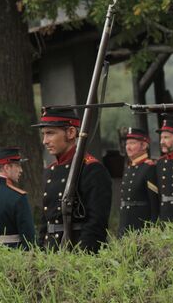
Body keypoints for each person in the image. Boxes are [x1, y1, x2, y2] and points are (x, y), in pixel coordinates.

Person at [32, 108, 112, 252]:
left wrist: (79, 258)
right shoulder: (50, 170)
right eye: (43, 134)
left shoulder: (91, 169)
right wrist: (40, 252)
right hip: (51, 253)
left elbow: (96, 224)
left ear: (70, 133)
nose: (45, 141)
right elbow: (46, 221)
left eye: (50, 133)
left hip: (77, 255)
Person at [118, 127, 159, 236]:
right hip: (125, 222)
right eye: (127, 144)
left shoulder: (149, 167)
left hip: (141, 224)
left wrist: (154, 224)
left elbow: (154, 200)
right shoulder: (129, 167)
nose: (128, 147)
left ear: (144, 145)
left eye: (132, 143)